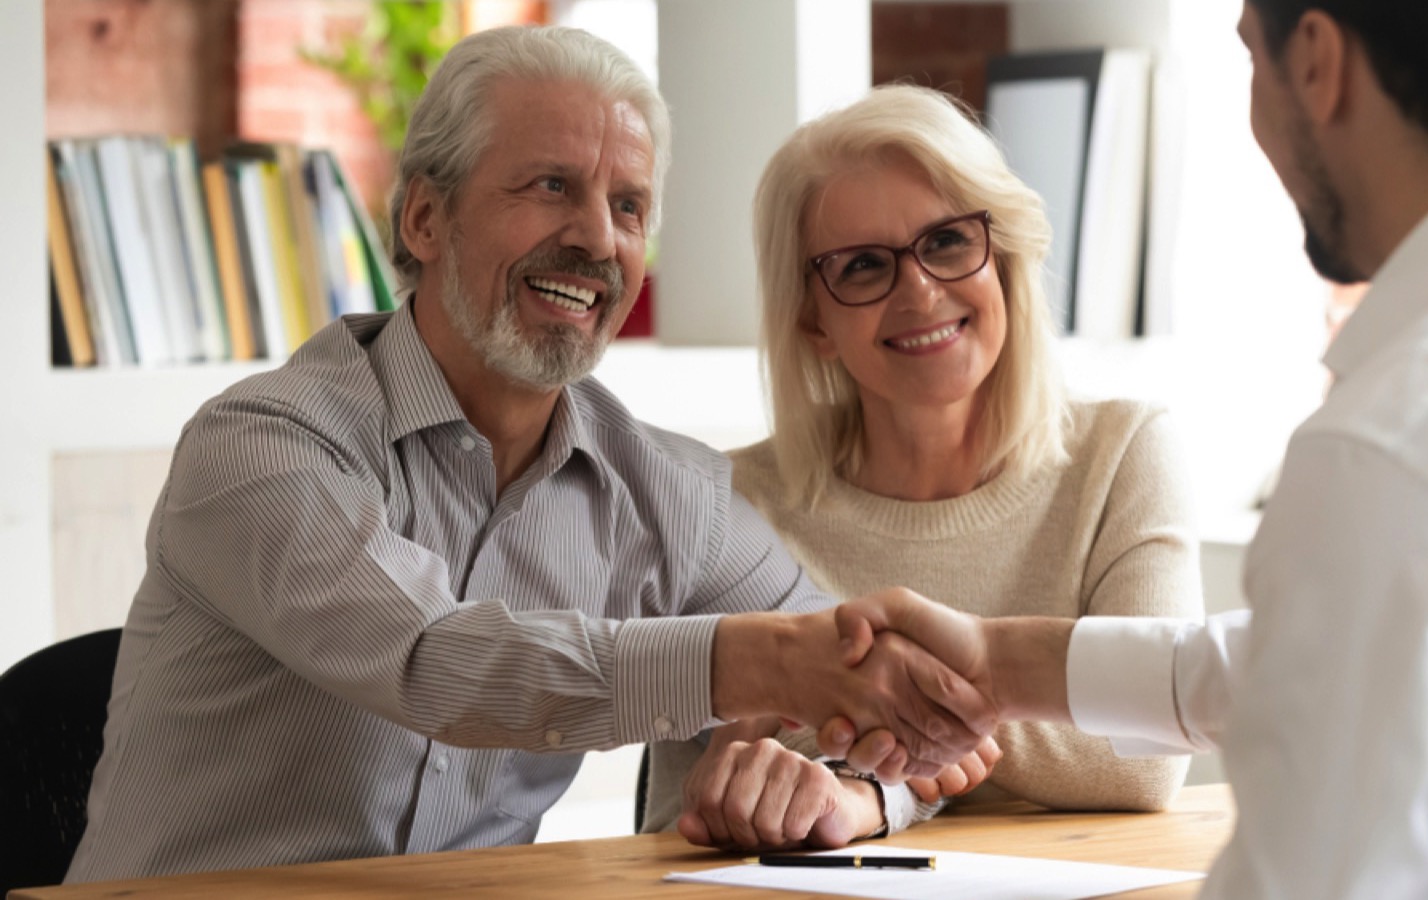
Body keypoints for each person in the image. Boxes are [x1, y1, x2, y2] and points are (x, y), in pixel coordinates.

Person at [65, 26, 997, 883]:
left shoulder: (671, 495)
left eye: (628, 205)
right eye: (550, 185)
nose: (597, 238)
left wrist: (858, 789)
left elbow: (883, 701)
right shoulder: (258, 446)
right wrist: (766, 663)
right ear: (425, 220)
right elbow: (434, 659)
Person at [830, 0, 1428, 895]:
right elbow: (1335, 651)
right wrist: (997, 664)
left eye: (1247, 59)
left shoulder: (1394, 448)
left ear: (1316, 62)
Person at [642, 84, 1202, 850]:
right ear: (813, 319)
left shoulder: (1124, 454)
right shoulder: (722, 505)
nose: (920, 292)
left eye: (946, 242)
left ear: (1002, 255)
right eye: (865, 266)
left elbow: (1145, 754)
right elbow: (680, 813)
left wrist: (873, 755)